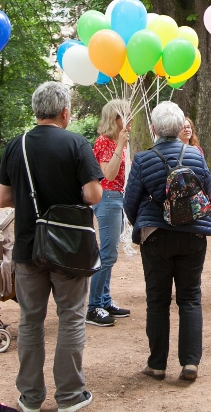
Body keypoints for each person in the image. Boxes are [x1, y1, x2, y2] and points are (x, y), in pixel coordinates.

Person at [0, 81, 103, 412]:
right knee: (71, 317)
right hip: (69, 248)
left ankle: (30, 397)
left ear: (36, 111)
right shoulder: (76, 144)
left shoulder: (16, 145)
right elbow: (93, 195)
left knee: (30, 320)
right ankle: (70, 396)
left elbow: (2, 198)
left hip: (28, 246)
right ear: (65, 113)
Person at [125, 101, 211, 381]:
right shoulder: (196, 156)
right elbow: (206, 191)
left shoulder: (143, 159)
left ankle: (157, 364)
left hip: (156, 236)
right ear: (179, 127)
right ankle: (190, 363)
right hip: (193, 234)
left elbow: (130, 202)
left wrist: (143, 222)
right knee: (190, 297)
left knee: (157, 300)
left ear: (153, 128)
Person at [86, 98, 132, 327]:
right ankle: (93, 306)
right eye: (125, 115)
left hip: (117, 198)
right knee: (107, 253)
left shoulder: (115, 141)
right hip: (108, 197)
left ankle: (104, 299)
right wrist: (121, 145)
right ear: (115, 119)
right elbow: (108, 175)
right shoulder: (104, 142)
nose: (130, 119)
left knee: (110, 251)